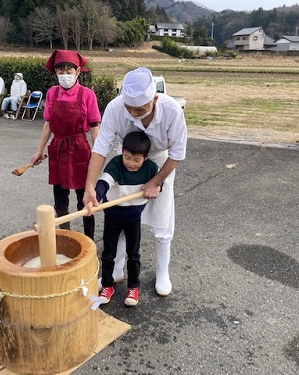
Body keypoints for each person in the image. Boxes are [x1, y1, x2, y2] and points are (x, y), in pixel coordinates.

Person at [83, 67, 187, 296]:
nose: (133, 113)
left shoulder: (171, 110)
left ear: (155, 99)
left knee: (162, 222)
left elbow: (177, 153)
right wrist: (90, 186)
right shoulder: (115, 108)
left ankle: (163, 272)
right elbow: (101, 148)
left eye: (140, 109)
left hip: (160, 162)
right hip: (125, 161)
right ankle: (117, 271)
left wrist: (156, 181)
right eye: (129, 108)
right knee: (120, 216)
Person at [30, 49, 101, 240]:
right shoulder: (52, 94)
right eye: (60, 71)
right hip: (58, 148)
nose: (64, 75)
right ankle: (65, 237)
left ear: (78, 72)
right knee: (60, 199)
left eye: (68, 71)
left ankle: (89, 241)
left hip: (79, 148)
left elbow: (95, 126)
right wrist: (39, 150)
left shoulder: (87, 95)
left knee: (84, 199)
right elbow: (48, 124)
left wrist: (97, 155)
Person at [86, 132, 159, 307]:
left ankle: (133, 287)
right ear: (122, 153)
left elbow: (157, 184)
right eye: (127, 157)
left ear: (145, 157)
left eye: (136, 160)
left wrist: (156, 187)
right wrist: (95, 196)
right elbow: (105, 182)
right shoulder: (116, 164)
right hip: (112, 215)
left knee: (133, 254)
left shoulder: (150, 168)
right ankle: (107, 285)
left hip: (133, 217)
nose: (131, 163)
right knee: (108, 253)